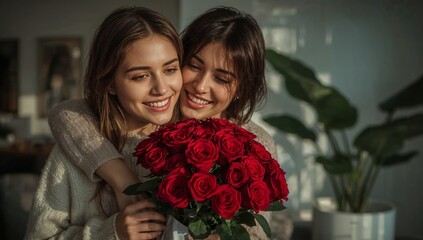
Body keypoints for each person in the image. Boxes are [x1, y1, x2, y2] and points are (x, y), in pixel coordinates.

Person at [47, 6, 288, 240]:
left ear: (241, 88)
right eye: (193, 66)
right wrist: (119, 188)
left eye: (222, 78)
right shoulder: (153, 125)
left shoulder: (255, 147)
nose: (200, 86)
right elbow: (67, 113)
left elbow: (255, 234)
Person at [25, 6, 183, 239]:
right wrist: (110, 232)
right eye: (141, 76)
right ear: (109, 83)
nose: (161, 89)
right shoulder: (71, 155)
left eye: (170, 69)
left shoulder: (197, 143)